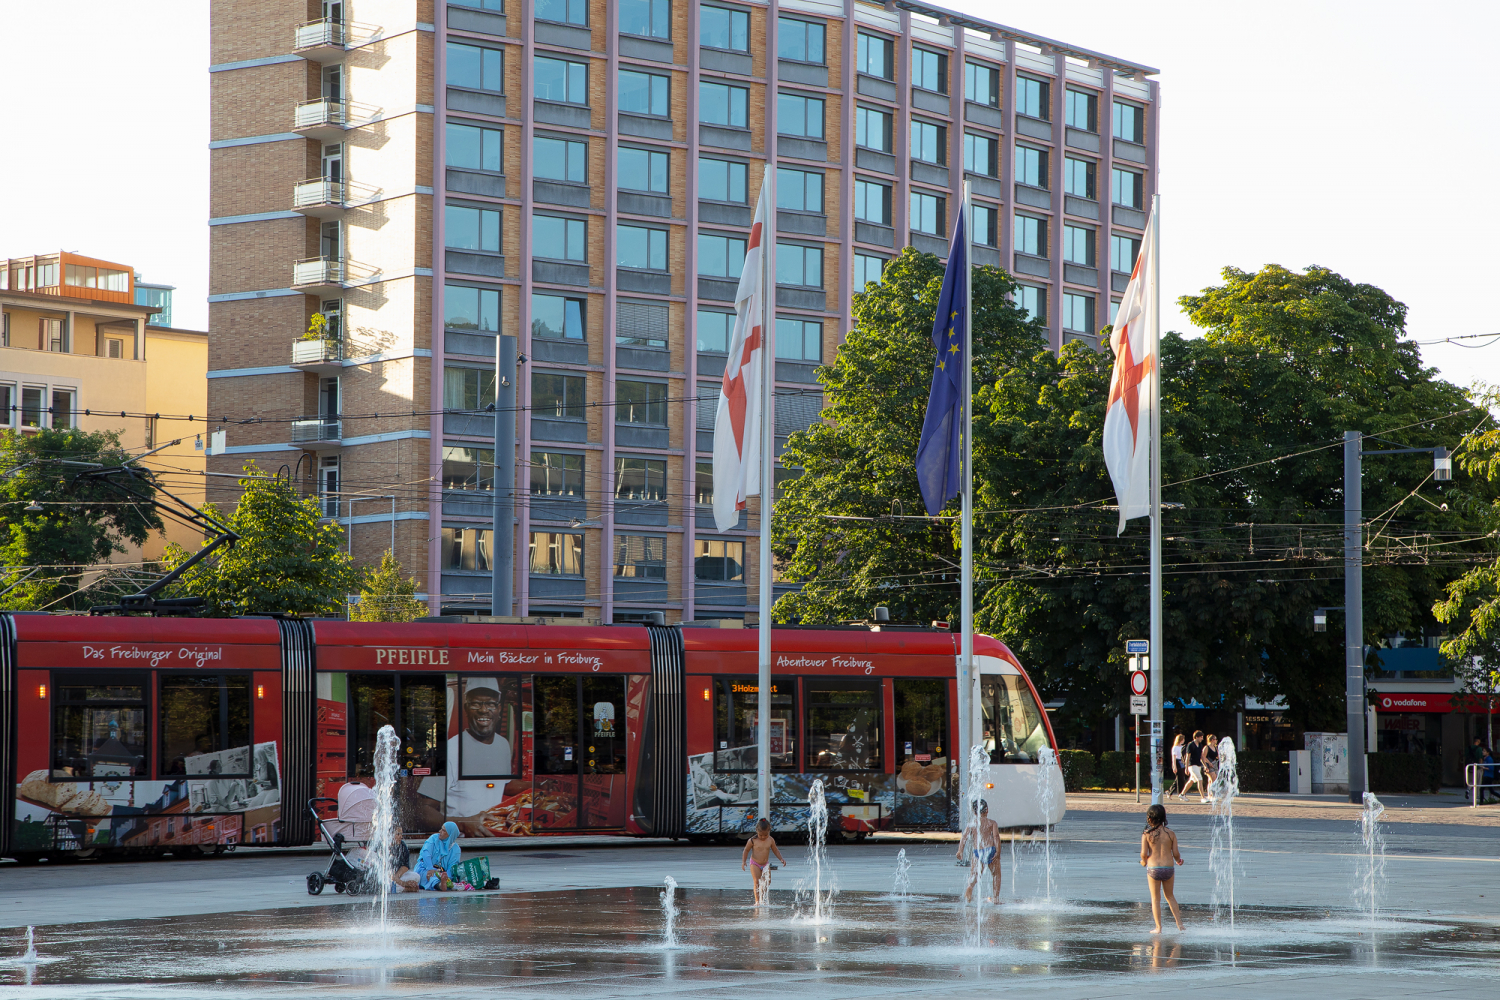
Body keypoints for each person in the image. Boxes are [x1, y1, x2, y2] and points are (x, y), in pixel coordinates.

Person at [1139, 803, 1185, 933]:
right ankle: (1180, 924)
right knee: (1170, 896)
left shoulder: (1147, 834)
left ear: (1150, 819)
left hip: (1153, 868)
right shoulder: (1171, 834)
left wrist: (1143, 861)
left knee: (1155, 898)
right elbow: (1176, 853)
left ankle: (1158, 927)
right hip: (1168, 868)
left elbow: (1143, 853)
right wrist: (1178, 860)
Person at [956, 801, 1003, 902]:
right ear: (987, 810)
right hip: (990, 850)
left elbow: (964, 837)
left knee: (975, 874)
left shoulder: (972, 824)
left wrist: (960, 851)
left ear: (974, 812)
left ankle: (970, 887)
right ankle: (995, 898)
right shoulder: (992, 823)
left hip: (978, 851)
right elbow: (996, 837)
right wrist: (998, 851)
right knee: (996, 874)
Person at [740, 818, 786, 905]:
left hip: (765, 864)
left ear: (769, 831)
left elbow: (775, 850)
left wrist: (781, 859)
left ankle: (762, 898)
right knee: (756, 881)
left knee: (767, 881)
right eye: (761, 835)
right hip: (755, 863)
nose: (763, 837)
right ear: (757, 831)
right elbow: (746, 850)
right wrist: (743, 862)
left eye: (765, 835)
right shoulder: (752, 840)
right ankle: (757, 901)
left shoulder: (770, 840)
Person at [415, 821, 462, 890]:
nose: (440, 831)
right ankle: (440, 885)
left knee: (441, 877)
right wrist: (430, 868)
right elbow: (426, 853)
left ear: (450, 834)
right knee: (430, 876)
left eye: (443, 830)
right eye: (441, 829)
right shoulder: (434, 838)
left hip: (441, 872)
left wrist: (446, 877)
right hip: (425, 867)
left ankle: (442, 883)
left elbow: (452, 866)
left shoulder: (456, 849)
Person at [388, 824, 420, 892]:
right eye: (398, 834)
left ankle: (400, 888)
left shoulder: (402, 845)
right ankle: (406, 888)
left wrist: (397, 877)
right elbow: (385, 872)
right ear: (390, 834)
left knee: (416, 876)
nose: (401, 837)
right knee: (385, 885)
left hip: (398, 876)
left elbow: (405, 866)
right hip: (386, 877)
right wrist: (403, 883)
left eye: (401, 834)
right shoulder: (383, 846)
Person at [1179, 731, 1208, 803]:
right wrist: (1186, 768)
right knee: (1200, 779)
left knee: (1191, 781)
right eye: (1201, 737)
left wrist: (1205, 765)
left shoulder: (1200, 745)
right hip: (1192, 765)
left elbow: (1201, 756)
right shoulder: (1190, 745)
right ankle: (1203, 797)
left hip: (1198, 765)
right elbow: (1187, 757)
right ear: (1196, 737)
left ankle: (1182, 794)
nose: (1202, 739)